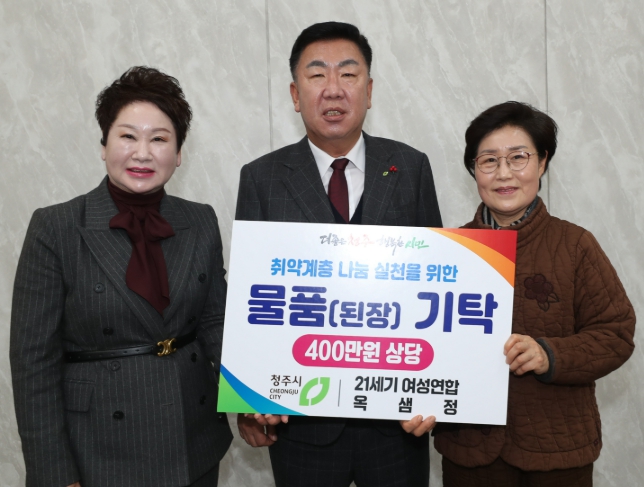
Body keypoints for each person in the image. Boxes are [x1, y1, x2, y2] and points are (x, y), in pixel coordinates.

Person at [235, 21, 442, 487]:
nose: (333, 89)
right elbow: (252, 298)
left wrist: (434, 391)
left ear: (369, 90)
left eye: (348, 74)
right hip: (301, 425)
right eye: (317, 75)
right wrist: (248, 398)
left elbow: (435, 284)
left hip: (396, 424)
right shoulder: (262, 178)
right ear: (295, 94)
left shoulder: (410, 167)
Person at [10, 66, 232, 487]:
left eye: (159, 139)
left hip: (193, 439)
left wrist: (256, 398)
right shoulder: (56, 227)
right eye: (128, 136)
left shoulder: (200, 220)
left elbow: (215, 323)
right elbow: (33, 363)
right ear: (103, 145)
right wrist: (54, 473)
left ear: (179, 153)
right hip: (98, 452)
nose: (142, 153)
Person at [433, 101, 636, 486]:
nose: (503, 173)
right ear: (474, 170)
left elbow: (616, 334)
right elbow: (423, 347)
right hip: (470, 451)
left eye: (518, 157)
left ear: (542, 163)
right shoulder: (447, 250)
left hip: (557, 452)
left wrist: (549, 354)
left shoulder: (575, 245)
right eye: (489, 160)